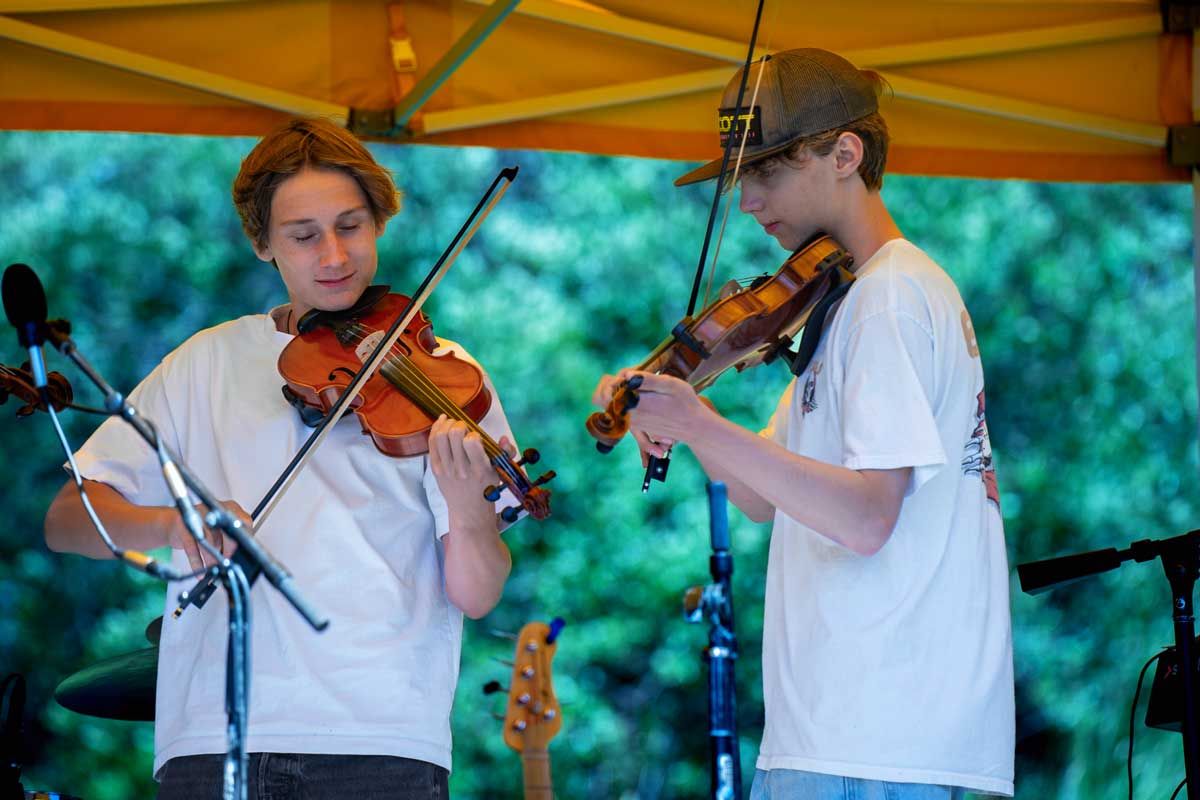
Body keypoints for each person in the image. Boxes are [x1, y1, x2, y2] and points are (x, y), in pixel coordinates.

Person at [43, 117, 516, 798]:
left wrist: (469, 507)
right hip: (213, 732)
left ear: (380, 221)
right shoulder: (204, 362)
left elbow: (476, 593)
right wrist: (173, 526)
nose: (333, 255)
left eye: (352, 226)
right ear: (262, 244)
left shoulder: (442, 374)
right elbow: (69, 519)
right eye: (303, 235)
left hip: (379, 739)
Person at [593, 49, 1014, 799]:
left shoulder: (888, 298)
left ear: (845, 154)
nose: (748, 201)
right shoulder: (848, 301)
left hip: (878, 740)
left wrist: (701, 421)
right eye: (741, 178)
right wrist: (685, 418)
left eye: (769, 171)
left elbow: (864, 517)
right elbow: (765, 495)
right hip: (854, 735)